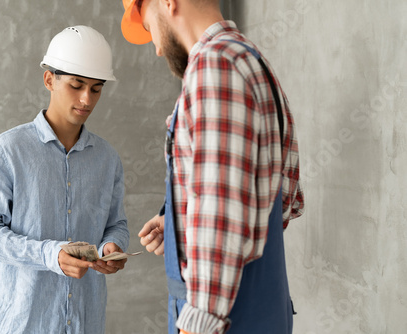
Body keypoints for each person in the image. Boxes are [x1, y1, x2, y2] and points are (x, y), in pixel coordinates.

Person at [121, 1, 305, 333]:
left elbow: (222, 215)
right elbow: (284, 204)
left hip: (221, 322)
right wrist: (181, 223)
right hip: (264, 311)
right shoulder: (252, 62)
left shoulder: (213, 68)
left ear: (167, 3)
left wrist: (197, 324)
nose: (158, 48)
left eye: (149, 27)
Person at [0, 26, 130, 334]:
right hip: (21, 323)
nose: (86, 99)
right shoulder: (8, 151)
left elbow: (116, 223)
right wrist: (49, 254)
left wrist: (112, 245)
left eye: (96, 89)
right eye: (76, 85)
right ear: (49, 80)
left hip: (85, 322)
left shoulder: (107, 158)